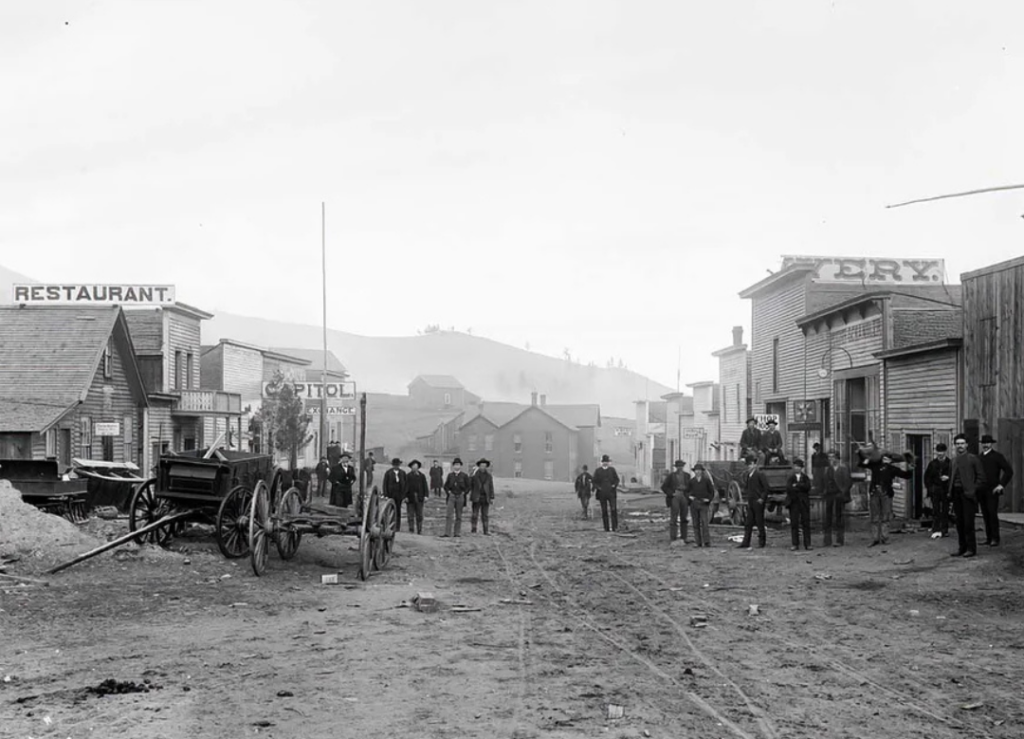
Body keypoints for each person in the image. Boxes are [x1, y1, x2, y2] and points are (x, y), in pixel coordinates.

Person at [858, 443, 913, 547]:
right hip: (874, 493)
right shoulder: (874, 465)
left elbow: (906, 475)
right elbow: (862, 464)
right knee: (874, 517)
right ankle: (875, 539)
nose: (886, 460)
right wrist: (861, 453)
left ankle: (884, 538)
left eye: (888, 459)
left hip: (886, 494)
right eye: (884, 458)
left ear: (890, 460)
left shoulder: (892, 469)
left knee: (885, 517)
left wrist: (910, 467)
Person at [949, 433, 986, 558]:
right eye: (957, 444)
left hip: (968, 495)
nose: (960, 446)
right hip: (956, 493)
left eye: (962, 443)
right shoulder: (953, 460)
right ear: (955, 445)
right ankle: (962, 547)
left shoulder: (973, 459)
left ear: (967, 445)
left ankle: (971, 548)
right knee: (959, 522)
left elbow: (981, 477)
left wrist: (972, 489)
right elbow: (952, 478)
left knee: (968, 522)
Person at [978, 434, 1014, 547]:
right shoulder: (979, 458)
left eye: (988, 443)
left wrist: (1001, 485)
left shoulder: (997, 456)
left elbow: (1009, 471)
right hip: (981, 490)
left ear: (991, 444)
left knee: (992, 514)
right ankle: (988, 538)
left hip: (993, 490)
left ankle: (995, 538)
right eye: (984, 443)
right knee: (985, 514)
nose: (985, 445)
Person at [737, 455, 770, 549]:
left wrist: (762, 499)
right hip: (751, 502)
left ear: (754, 464)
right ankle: (746, 542)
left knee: (760, 522)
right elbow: (748, 488)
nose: (749, 467)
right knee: (748, 523)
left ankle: (762, 542)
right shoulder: (749, 476)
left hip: (758, 502)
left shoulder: (760, 474)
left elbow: (766, 488)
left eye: (750, 465)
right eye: (748, 465)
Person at [821, 450, 852, 547]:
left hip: (839, 494)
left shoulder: (843, 468)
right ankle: (827, 540)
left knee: (839, 517)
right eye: (829, 457)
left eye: (832, 457)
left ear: (837, 458)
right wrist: (825, 491)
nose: (830, 459)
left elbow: (848, 482)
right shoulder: (827, 469)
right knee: (828, 517)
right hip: (829, 494)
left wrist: (843, 492)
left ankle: (839, 539)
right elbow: (823, 482)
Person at [924, 443, 953, 538]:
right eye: (938, 452)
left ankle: (944, 530)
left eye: (942, 451)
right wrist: (930, 489)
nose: (940, 453)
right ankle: (935, 529)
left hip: (946, 490)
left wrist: (948, 478)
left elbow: (954, 476)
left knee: (945, 510)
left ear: (945, 452)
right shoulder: (932, 464)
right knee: (935, 510)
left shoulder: (950, 463)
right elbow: (927, 478)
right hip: (935, 490)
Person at [661, 460, 691, 543]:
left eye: (681, 466)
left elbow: (690, 487)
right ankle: (673, 537)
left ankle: (684, 537)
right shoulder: (671, 476)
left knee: (684, 517)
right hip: (675, 496)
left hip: (684, 496)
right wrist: (671, 493)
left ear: (683, 467)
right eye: (678, 466)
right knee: (674, 517)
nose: (680, 468)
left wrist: (687, 493)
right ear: (676, 467)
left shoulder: (687, 476)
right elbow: (664, 487)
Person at [786, 458, 813, 551]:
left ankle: (808, 544)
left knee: (806, 523)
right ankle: (795, 544)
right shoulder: (791, 478)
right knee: (794, 524)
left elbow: (807, 487)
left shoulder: (805, 478)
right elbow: (789, 488)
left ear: (801, 468)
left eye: (798, 466)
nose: (796, 468)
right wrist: (800, 487)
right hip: (794, 503)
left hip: (804, 503)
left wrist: (797, 485)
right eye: (795, 466)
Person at [442, 457, 471, 538]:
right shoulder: (450, 475)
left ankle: (457, 533)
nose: (456, 466)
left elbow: (468, 487)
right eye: (455, 465)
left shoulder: (464, 476)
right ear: (453, 466)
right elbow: (446, 486)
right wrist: (448, 492)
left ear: (460, 466)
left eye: (458, 464)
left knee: (459, 516)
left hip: (460, 497)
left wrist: (464, 493)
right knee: (449, 515)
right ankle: (447, 533)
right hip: (451, 497)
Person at [689, 463, 715, 548]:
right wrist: (690, 497)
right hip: (694, 504)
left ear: (701, 472)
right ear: (694, 472)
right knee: (695, 524)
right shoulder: (692, 481)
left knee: (705, 523)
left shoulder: (706, 481)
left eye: (699, 470)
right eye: (696, 471)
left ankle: (706, 542)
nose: (697, 472)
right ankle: (698, 542)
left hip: (704, 504)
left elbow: (712, 492)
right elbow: (687, 492)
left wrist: (709, 499)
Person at [592, 454, 620, 532]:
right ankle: (606, 527)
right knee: (604, 510)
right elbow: (594, 481)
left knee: (613, 509)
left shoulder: (612, 470)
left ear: (608, 462)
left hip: (611, 493)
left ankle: (614, 527)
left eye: (606, 462)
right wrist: (598, 488)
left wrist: (614, 485)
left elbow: (617, 479)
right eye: (604, 462)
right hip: (602, 494)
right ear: (602, 462)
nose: (605, 463)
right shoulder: (598, 471)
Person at [470, 458, 495, 534]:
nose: (483, 467)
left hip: (485, 498)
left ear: (486, 466)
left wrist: (492, 497)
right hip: (476, 497)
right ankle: (474, 529)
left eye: (484, 466)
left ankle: (486, 530)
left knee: (485, 515)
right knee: (475, 514)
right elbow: (469, 484)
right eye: (481, 465)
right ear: (479, 466)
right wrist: (471, 475)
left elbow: (491, 487)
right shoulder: (475, 475)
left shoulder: (489, 476)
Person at [382, 457, 407, 533]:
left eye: (398, 465)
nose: (396, 466)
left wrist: (404, 495)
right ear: (392, 465)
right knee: (390, 510)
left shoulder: (402, 473)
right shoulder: (388, 473)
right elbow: (385, 484)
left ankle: (397, 527)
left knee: (398, 511)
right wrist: (386, 494)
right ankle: (389, 526)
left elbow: (406, 484)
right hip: (391, 495)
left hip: (399, 495)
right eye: (395, 465)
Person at [405, 460, 429, 534]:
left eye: (416, 466)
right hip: (410, 498)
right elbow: (405, 487)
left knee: (419, 515)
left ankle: (419, 529)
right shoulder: (408, 476)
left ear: (418, 467)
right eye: (413, 466)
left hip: (419, 498)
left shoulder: (422, 476)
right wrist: (405, 496)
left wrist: (426, 496)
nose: (414, 467)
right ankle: (411, 529)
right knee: (410, 515)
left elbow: (425, 487)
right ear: (411, 467)